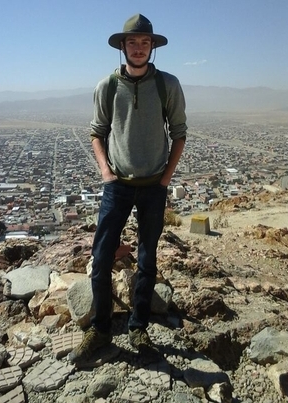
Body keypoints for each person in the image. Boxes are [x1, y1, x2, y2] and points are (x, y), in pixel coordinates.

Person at [69, 13, 187, 364]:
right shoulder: (106, 86)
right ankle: (101, 328)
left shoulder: (168, 85)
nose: (138, 48)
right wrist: (106, 171)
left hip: (154, 187)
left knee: (147, 259)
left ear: (153, 47)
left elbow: (179, 133)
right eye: (132, 42)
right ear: (123, 46)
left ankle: (138, 326)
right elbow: (97, 132)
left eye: (144, 42)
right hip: (117, 186)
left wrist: (165, 180)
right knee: (102, 256)